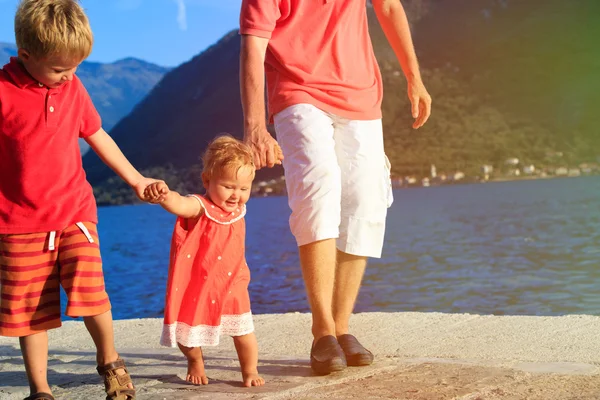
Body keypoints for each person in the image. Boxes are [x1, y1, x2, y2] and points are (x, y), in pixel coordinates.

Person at [239, 0, 432, 374]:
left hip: (360, 93)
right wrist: (255, 126)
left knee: (366, 197)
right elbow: (253, 44)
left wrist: (414, 76)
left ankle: (342, 327)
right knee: (318, 188)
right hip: (298, 89)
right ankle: (323, 329)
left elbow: (389, 7)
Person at [0, 1, 162, 399]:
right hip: (18, 221)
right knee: (31, 311)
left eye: (75, 67)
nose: (69, 76)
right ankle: (40, 389)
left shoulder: (72, 88)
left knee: (90, 291)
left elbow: (97, 135)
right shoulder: (2, 91)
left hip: (75, 212)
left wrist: (137, 180)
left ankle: (110, 360)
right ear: (26, 55)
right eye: (59, 68)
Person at [144, 135, 266, 387]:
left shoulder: (238, 210)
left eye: (244, 189)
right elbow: (181, 204)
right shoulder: (200, 206)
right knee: (188, 332)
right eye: (228, 186)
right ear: (207, 181)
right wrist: (165, 196)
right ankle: (195, 360)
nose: (236, 195)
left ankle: (250, 370)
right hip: (200, 282)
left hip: (234, 282)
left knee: (244, 331)